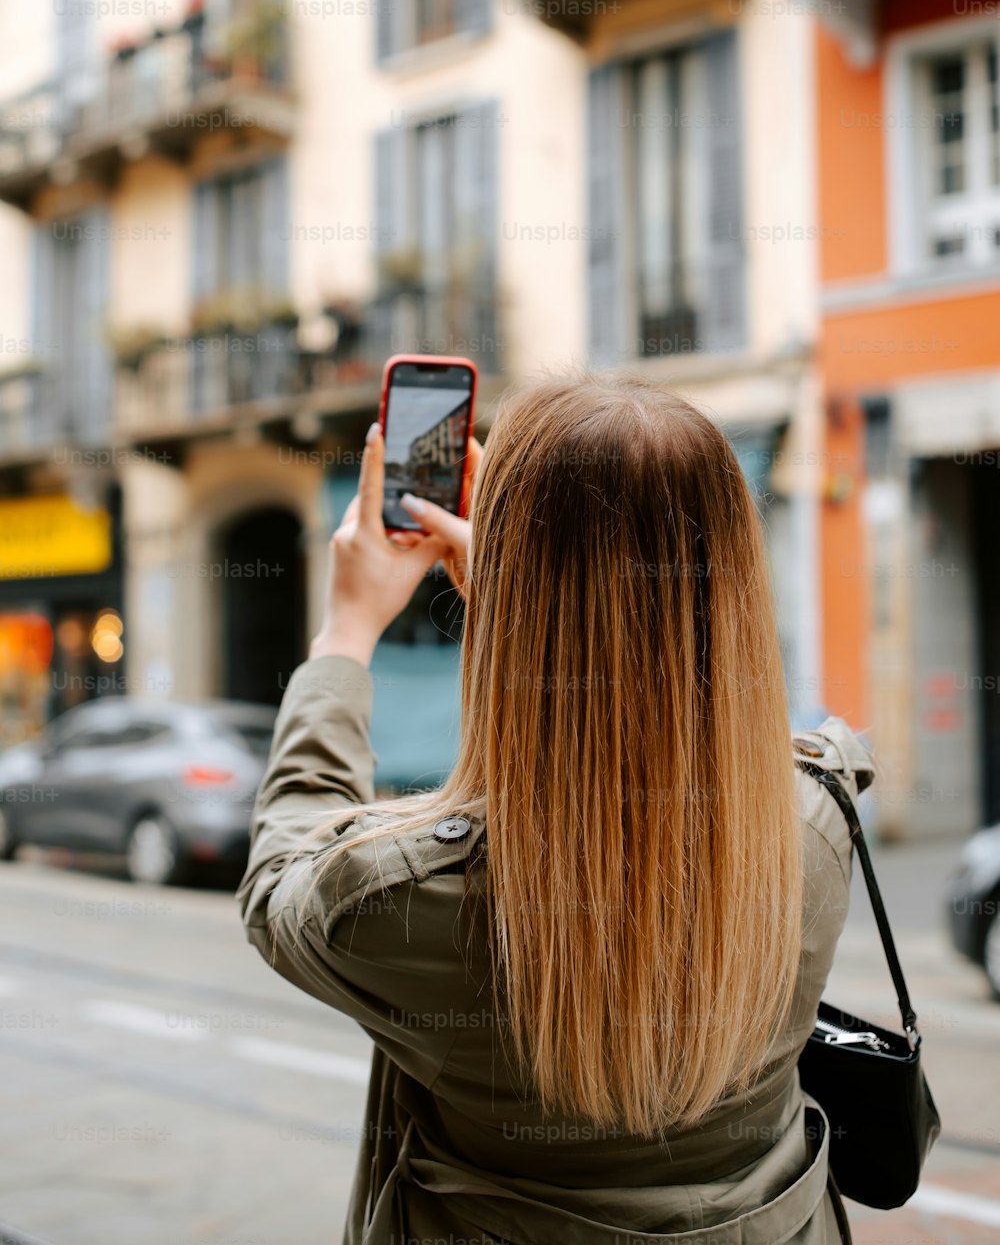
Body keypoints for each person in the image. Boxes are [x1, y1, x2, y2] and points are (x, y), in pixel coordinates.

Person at [238, 372, 872, 1244]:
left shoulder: (403, 905)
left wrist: (346, 633)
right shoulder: (821, 820)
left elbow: (281, 878)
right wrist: (534, 607)